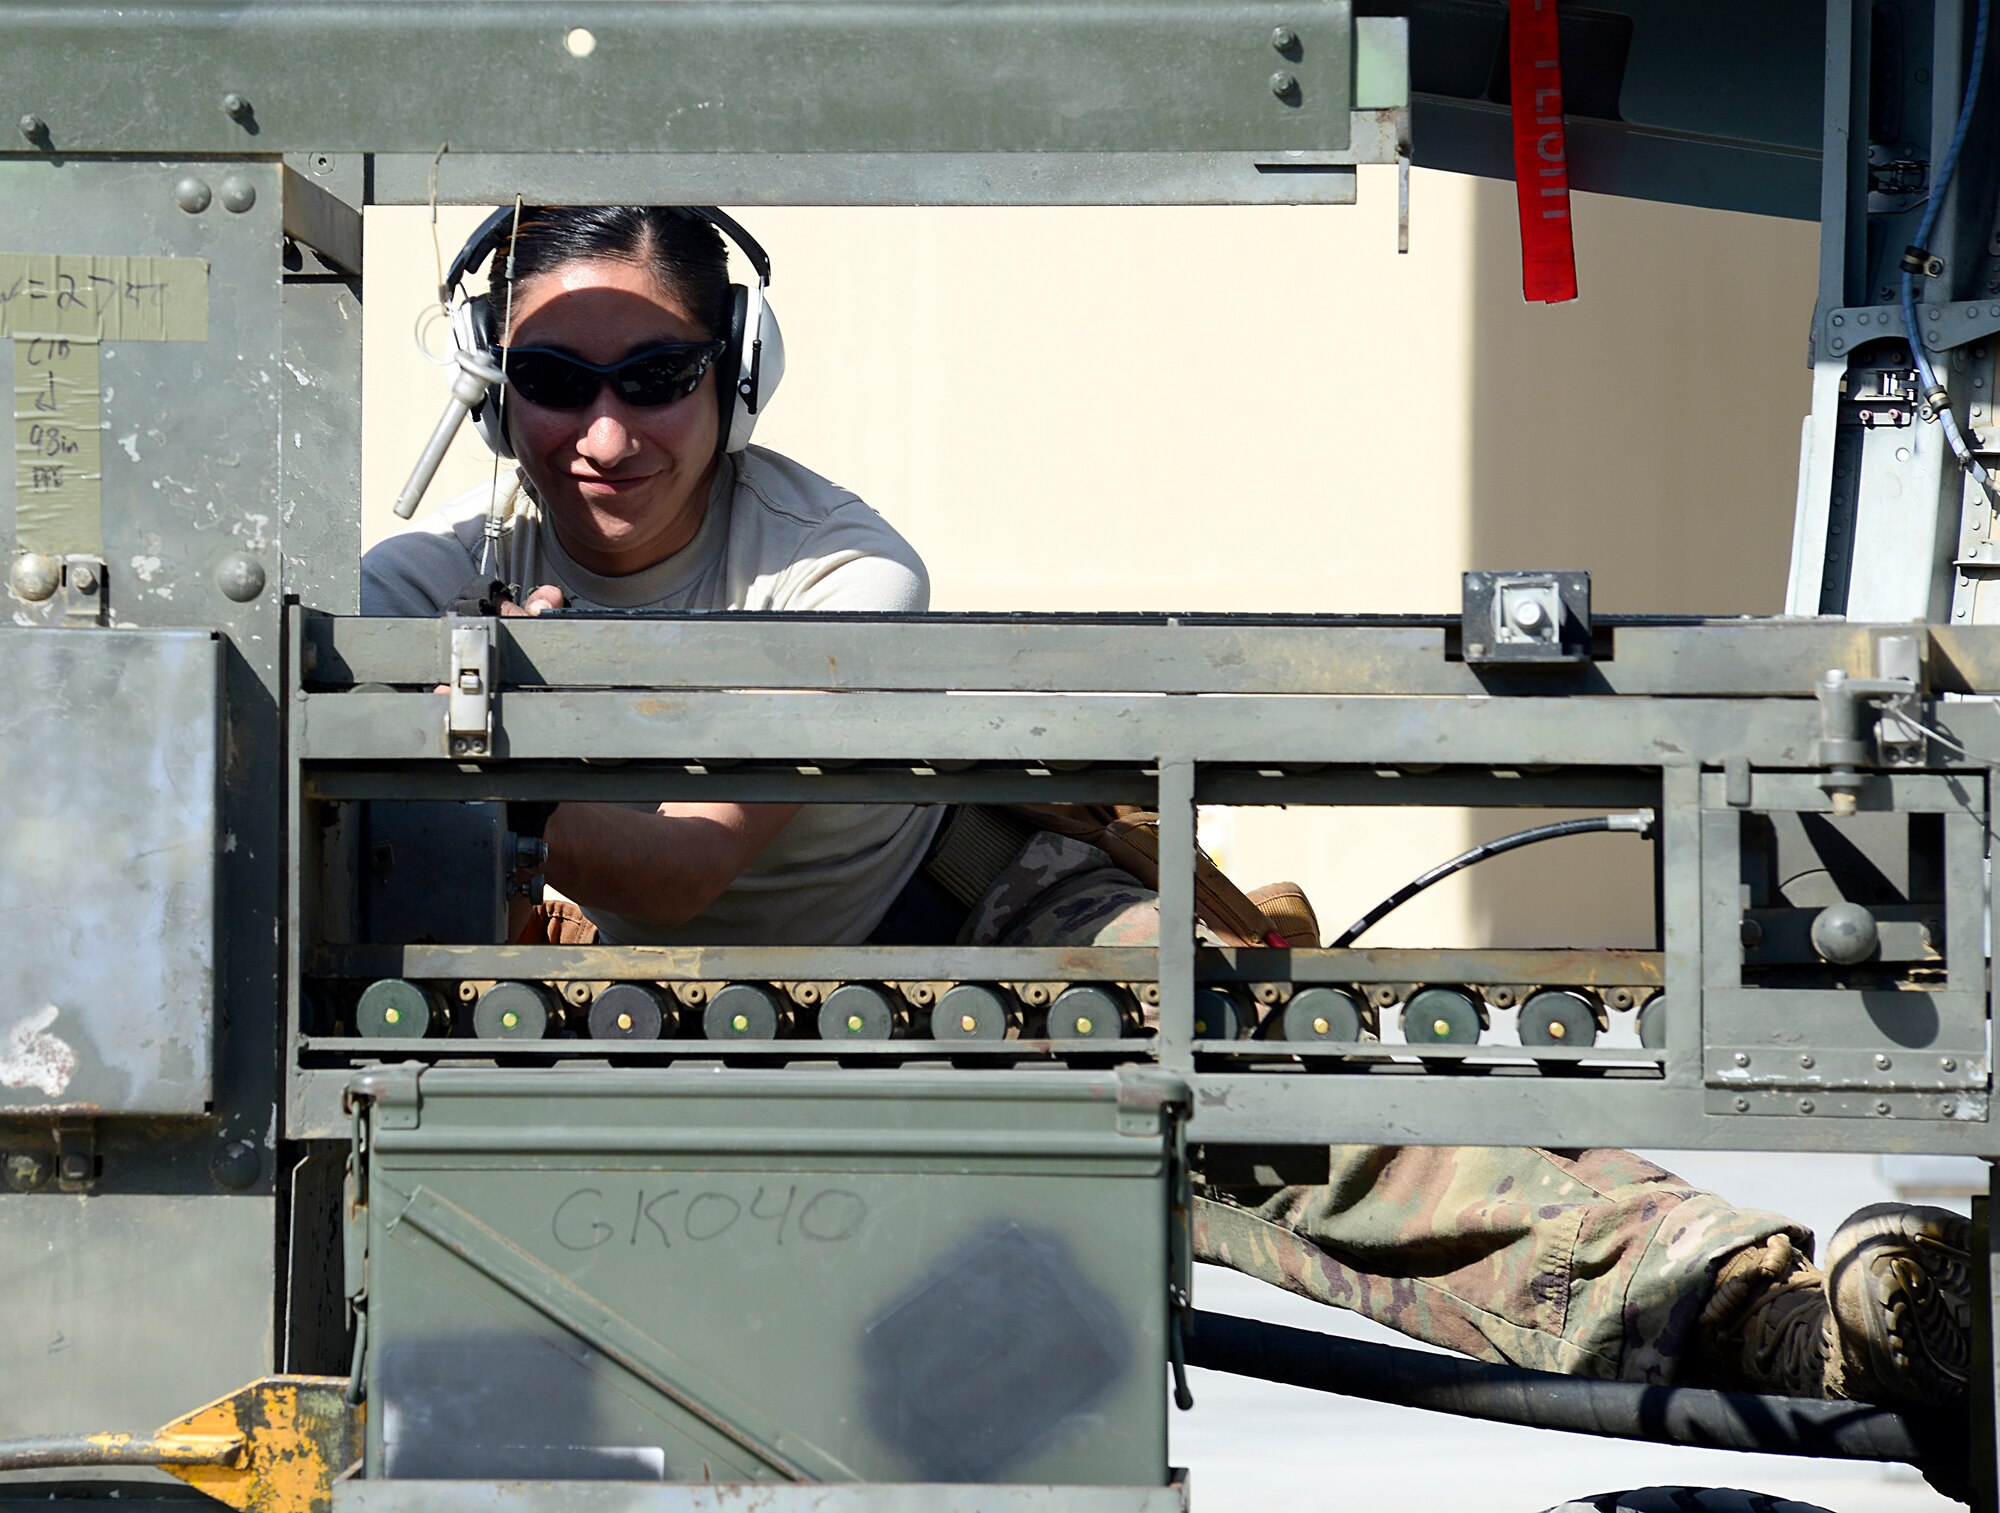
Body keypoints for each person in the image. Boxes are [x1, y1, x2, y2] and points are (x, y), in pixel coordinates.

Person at [362, 204, 1971, 1413]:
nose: (607, 435)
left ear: (739, 375)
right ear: (491, 391)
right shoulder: (434, 582)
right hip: (654, 1028)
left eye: (656, 376)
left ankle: (1782, 1316)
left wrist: (506, 751)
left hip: (974, 926)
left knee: (1309, 1102)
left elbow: (687, 866)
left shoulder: (839, 574)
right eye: (556, 382)